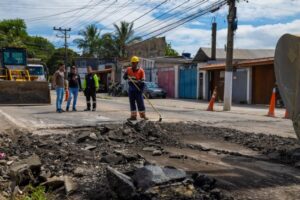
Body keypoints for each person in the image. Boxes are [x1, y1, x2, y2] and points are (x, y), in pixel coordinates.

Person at [123, 56, 148, 120]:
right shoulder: (128, 69)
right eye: (132, 63)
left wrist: (140, 81)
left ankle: (143, 115)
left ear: (137, 63)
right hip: (131, 88)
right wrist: (125, 76)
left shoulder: (141, 71)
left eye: (135, 63)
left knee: (140, 102)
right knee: (132, 102)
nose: (133, 64)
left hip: (138, 88)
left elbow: (143, 80)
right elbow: (125, 76)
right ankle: (133, 116)